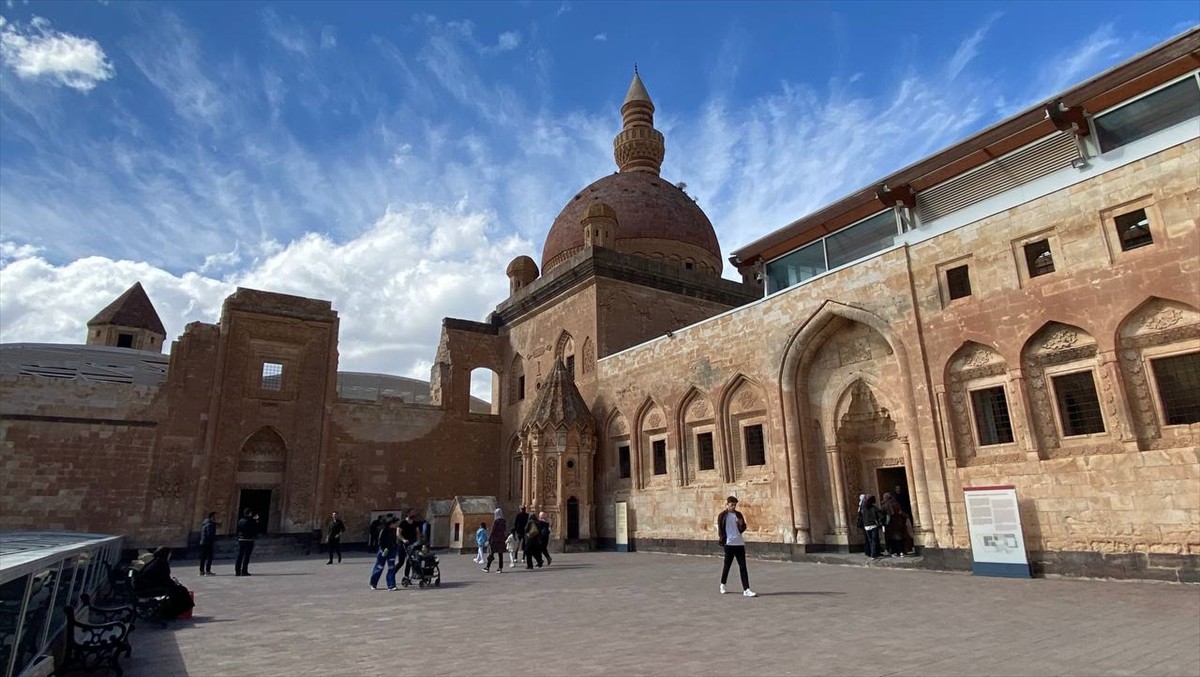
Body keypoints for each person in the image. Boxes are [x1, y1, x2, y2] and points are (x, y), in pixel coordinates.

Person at [137, 547, 195, 619]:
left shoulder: (156, 562)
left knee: (178, 589)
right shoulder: (161, 564)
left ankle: (171, 611)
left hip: (146, 587)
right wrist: (174, 583)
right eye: (169, 554)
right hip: (149, 589)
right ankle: (171, 612)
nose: (170, 556)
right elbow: (164, 579)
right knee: (181, 590)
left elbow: (162, 578)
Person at [716, 496, 756, 597]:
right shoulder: (722, 515)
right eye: (731, 505)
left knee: (743, 567)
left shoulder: (738, 514)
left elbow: (742, 528)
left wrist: (741, 524)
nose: (733, 507)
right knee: (727, 566)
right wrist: (722, 540)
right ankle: (722, 584)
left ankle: (746, 589)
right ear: (727, 505)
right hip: (729, 544)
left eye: (735, 505)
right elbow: (720, 529)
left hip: (739, 543)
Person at [369, 517, 400, 590]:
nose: (397, 525)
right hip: (383, 551)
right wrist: (383, 550)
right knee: (379, 567)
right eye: (396, 523)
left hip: (392, 551)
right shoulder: (383, 530)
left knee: (391, 568)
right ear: (391, 523)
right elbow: (380, 542)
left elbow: (394, 540)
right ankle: (373, 583)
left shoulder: (393, 530)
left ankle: (391, 585)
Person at [881, 492, 908, 558]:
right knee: (899, 537)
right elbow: (900, 511)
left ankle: (894, 551)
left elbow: (882, 515)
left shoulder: (885, 505)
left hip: (890, 524)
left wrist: (882, 522)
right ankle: (901, 551)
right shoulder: (896, 503)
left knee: (891, 538)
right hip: (898, 522)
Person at [861, 495, 886, 559]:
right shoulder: (874, 508)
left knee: (870, 540)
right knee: (874, 540)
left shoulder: (863, 508)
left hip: (866, 526)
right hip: (873, 525)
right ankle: (873, 554)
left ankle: (872, 553)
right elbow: (881, 516)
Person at [234, 509, 258, 576]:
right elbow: (254, 528)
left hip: (241, 539)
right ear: (249, 513)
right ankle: (244, 570)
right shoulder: (251, 521)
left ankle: (237, 571)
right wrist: (255, 521)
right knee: (246, 556)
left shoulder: (240, 521)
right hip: (248, 539)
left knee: (240, 555)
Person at [483, 508, 507, 573]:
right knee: (500, 554)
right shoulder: (504, 521)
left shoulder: (496, 521)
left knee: (491, 553)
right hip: (501, 539)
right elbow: (504, 530)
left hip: (495, 540)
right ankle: (500, 568)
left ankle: (487, 567)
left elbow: (493, 531)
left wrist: (489, 539)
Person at [398, 511, 419, 583]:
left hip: (412, 545)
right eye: (411, 513)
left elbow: (418, 532)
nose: (413, 514)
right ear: (408, 514)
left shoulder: (414, 523)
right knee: (401, 562)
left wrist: (418, 541)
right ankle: (392, 574)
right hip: (403, 544)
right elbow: (398, 533)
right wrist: (403, 540)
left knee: (410, 561)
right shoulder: (402, 523)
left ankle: (406, 576)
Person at [198, 512, 218, 576]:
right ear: (212, 516)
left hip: (203, 542)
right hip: (208, 543)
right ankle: (207, 571)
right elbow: (210, 534)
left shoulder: (205, 523)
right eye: (215, 516)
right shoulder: (210, 524)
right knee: (210, 557)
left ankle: (201, 571)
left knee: (203, 558)